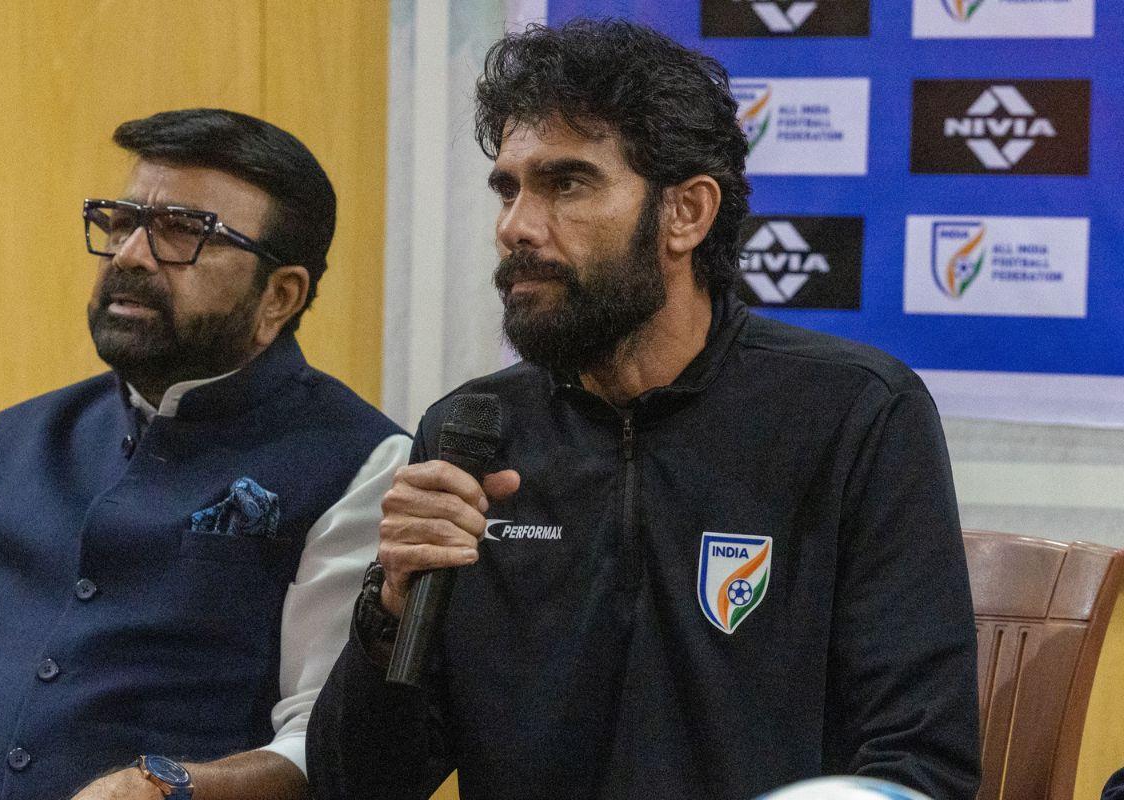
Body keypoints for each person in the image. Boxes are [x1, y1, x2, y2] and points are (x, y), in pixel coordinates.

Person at [306, 19, 981, 800]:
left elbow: (921, 765)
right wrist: (390, 607)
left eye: (566, 183)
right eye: (509, 187)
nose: (515, 226)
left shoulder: (854, 415)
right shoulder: (474, 435)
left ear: (686, 213)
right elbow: (355, 786)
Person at [0, 109, 410, 799]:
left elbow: (325, 747)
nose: (129, 254)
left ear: (280, 296)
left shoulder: (363, 467)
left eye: (182, 232)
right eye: (120, 222)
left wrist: (167, 789)